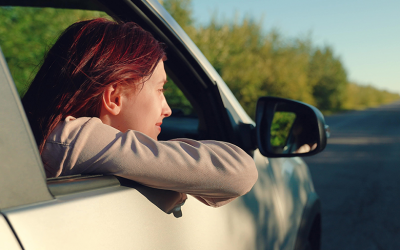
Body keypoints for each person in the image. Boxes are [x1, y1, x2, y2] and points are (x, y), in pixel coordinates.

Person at [22, 18, 258, 209]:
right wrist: (166, 180)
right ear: (114, 97)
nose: (168, 109)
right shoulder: (72, 140)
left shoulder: (41, 134)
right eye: (159, 90)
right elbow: (239, 172)